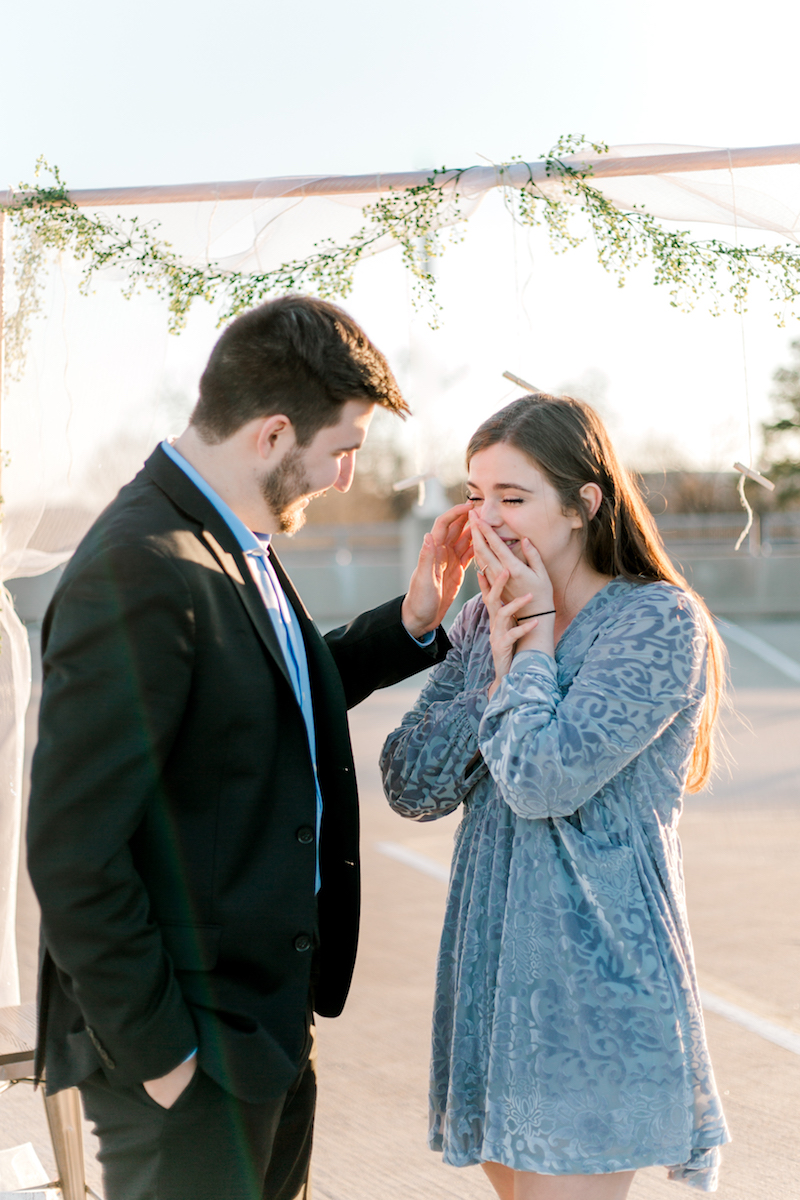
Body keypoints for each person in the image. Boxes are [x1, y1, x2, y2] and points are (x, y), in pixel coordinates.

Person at [26, 295, 473, 1200]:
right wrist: (168, 1064)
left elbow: (266, 700)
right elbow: (72, 853)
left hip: (263, 1036)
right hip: (188, 1062)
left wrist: (413, 622)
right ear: (273, 435)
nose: (346, 477)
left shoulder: (232, 540)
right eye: (342, 449)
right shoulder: (141, 566)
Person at [381, 393, 731, 1198]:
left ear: (583, 504)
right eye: (475, 495)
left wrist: (532, 651)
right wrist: (487, 668)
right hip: (493, 969)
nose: (487, 519)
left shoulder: (658, 621)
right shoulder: (480, 620)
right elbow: (410, 784)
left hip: (597, 977)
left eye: (512, 497)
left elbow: (542, 780)